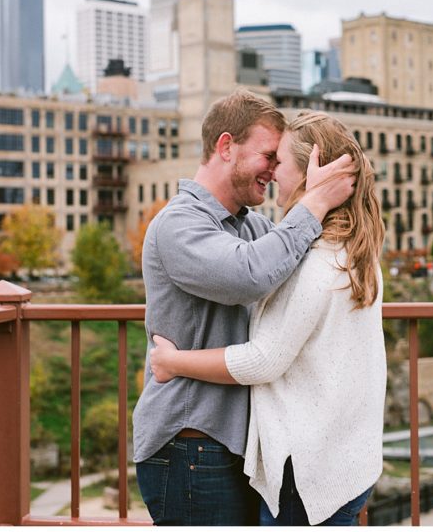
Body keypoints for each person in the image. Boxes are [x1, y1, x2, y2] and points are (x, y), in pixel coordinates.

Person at [148, 110, 386, 526]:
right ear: (226, 146)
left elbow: (264, 355)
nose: (274, 171)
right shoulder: (179, 225)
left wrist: (173, 362)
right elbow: (252, 272)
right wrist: (316, 201)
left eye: (281, 160)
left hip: (286, 459)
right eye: (268, 156)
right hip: (194, 443)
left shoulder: (302, 251)